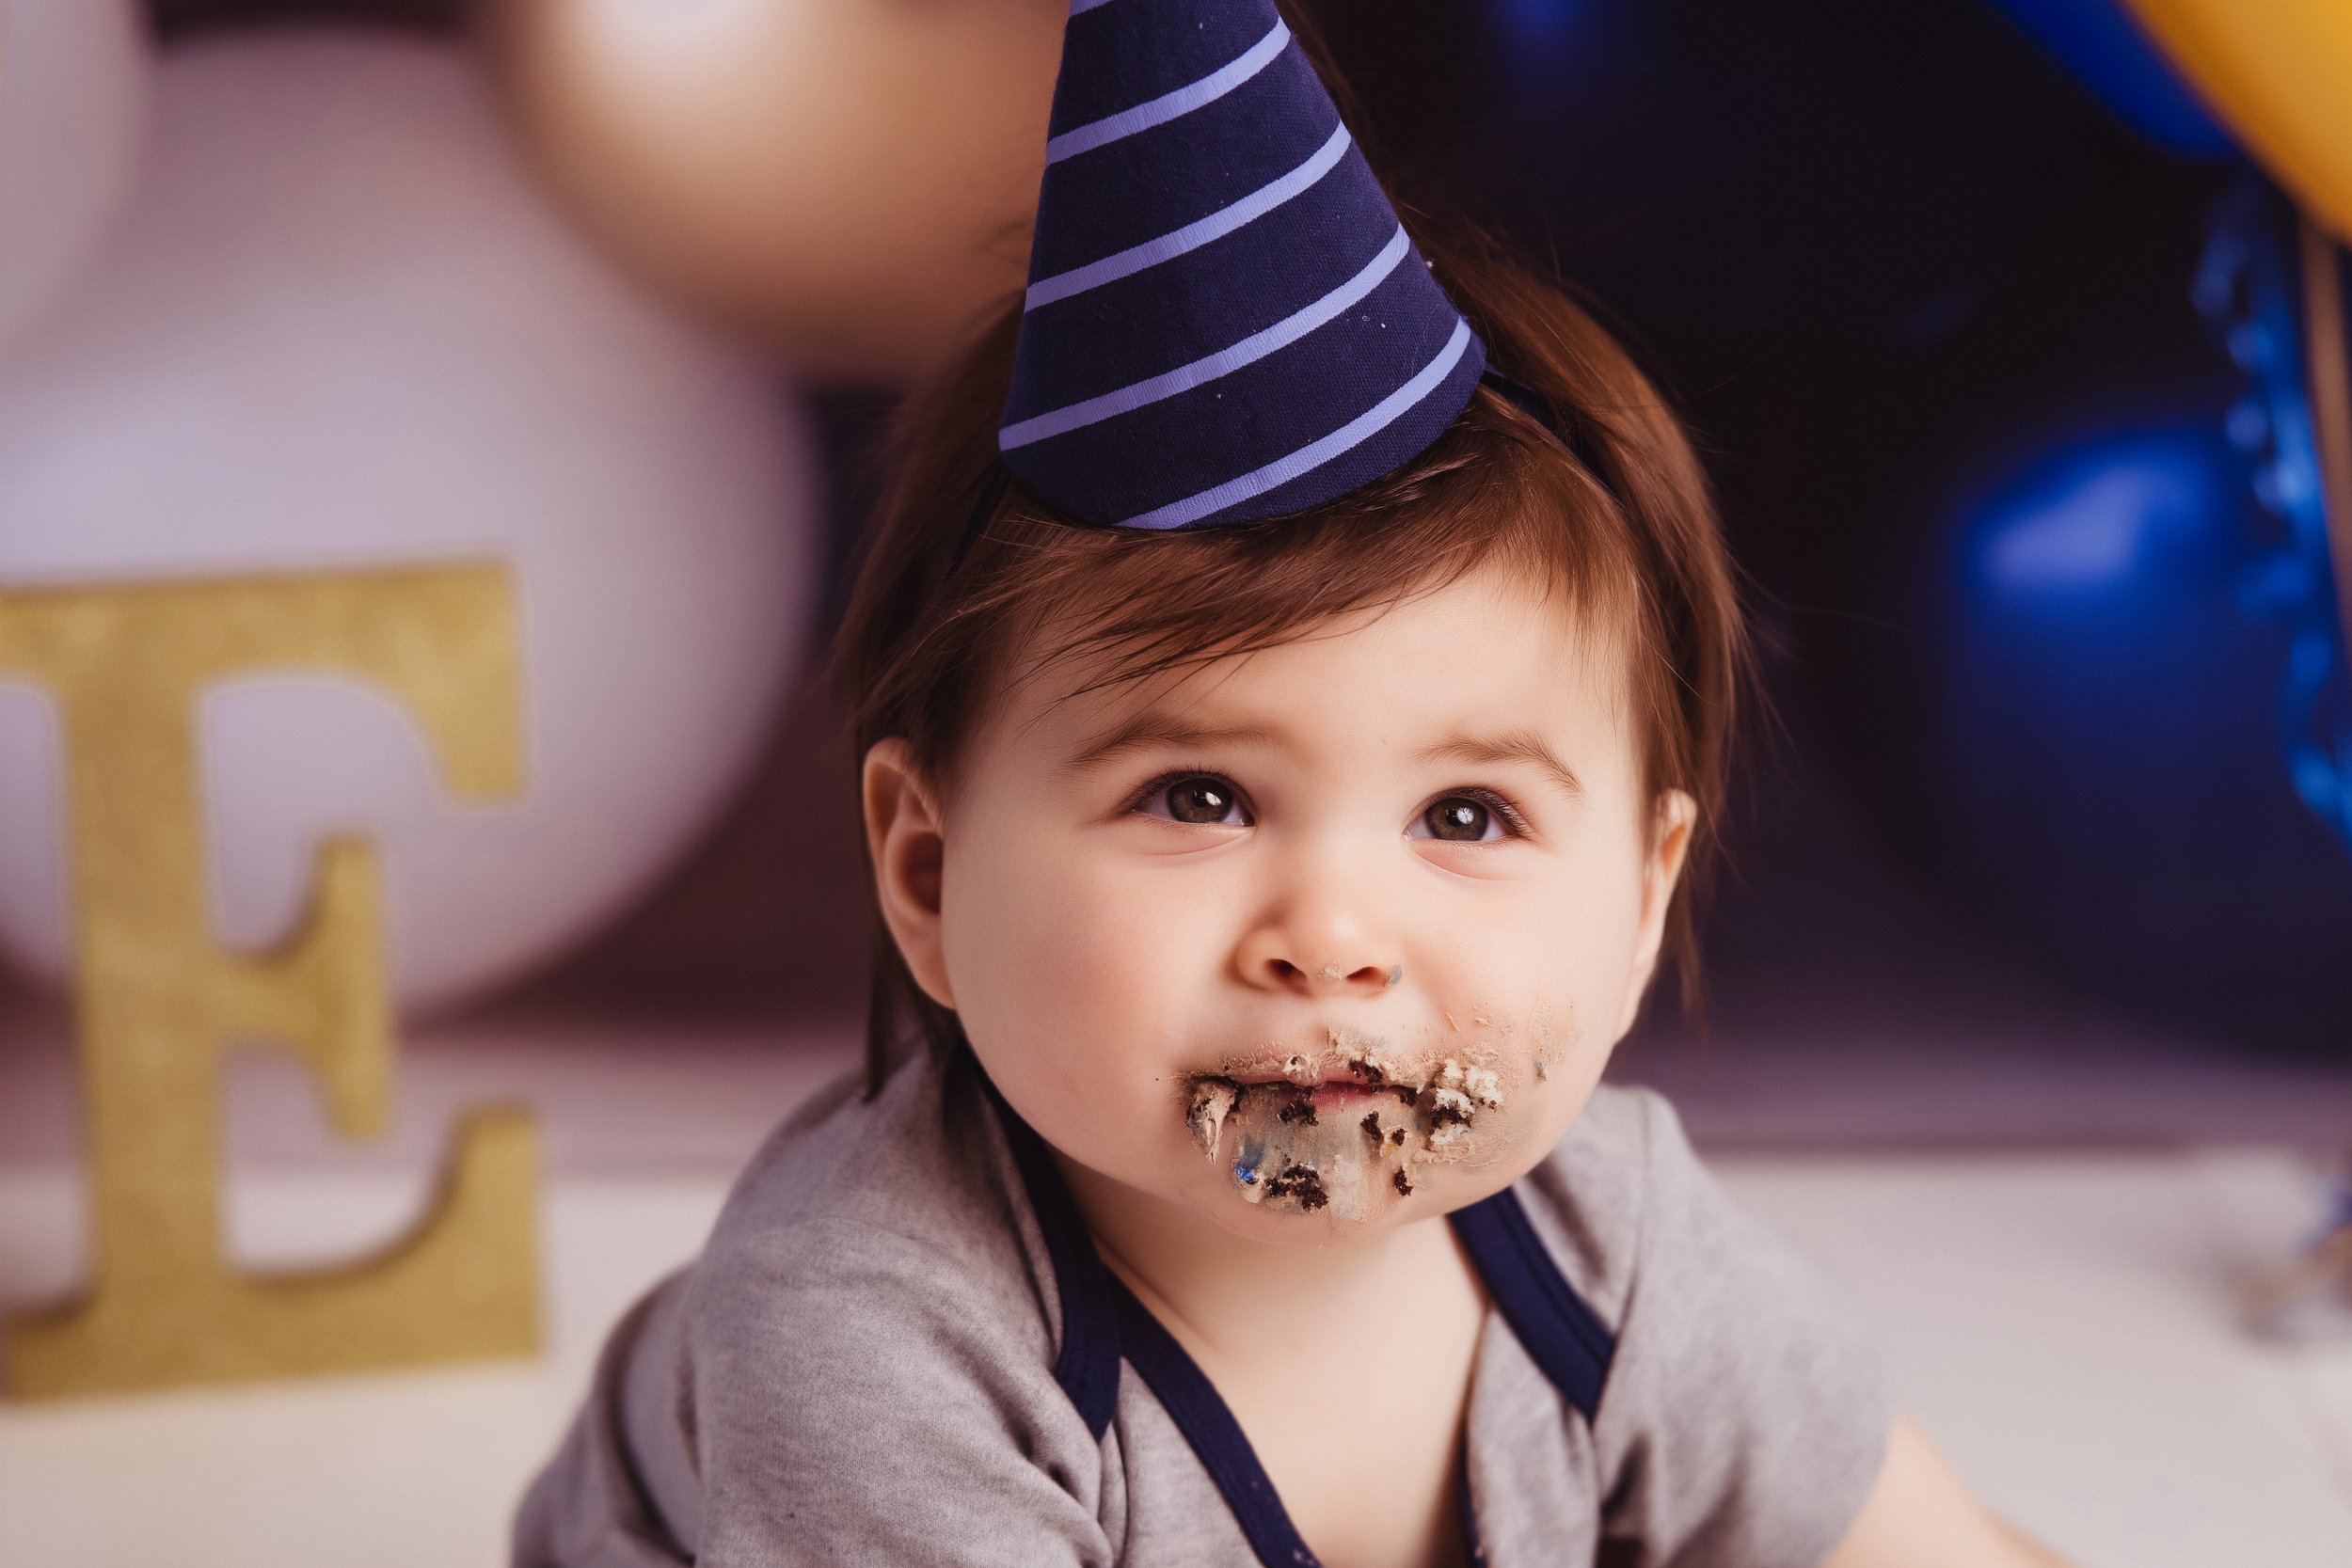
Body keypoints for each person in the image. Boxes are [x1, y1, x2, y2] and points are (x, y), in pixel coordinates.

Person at [517, 1, 2075, 1562]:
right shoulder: (871, 1339)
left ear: (1640, 907)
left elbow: (1927, 1539)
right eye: (1198, 796)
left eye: (1467, 817)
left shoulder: (1616, 1256)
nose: (1330, 937)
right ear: (929, 875)